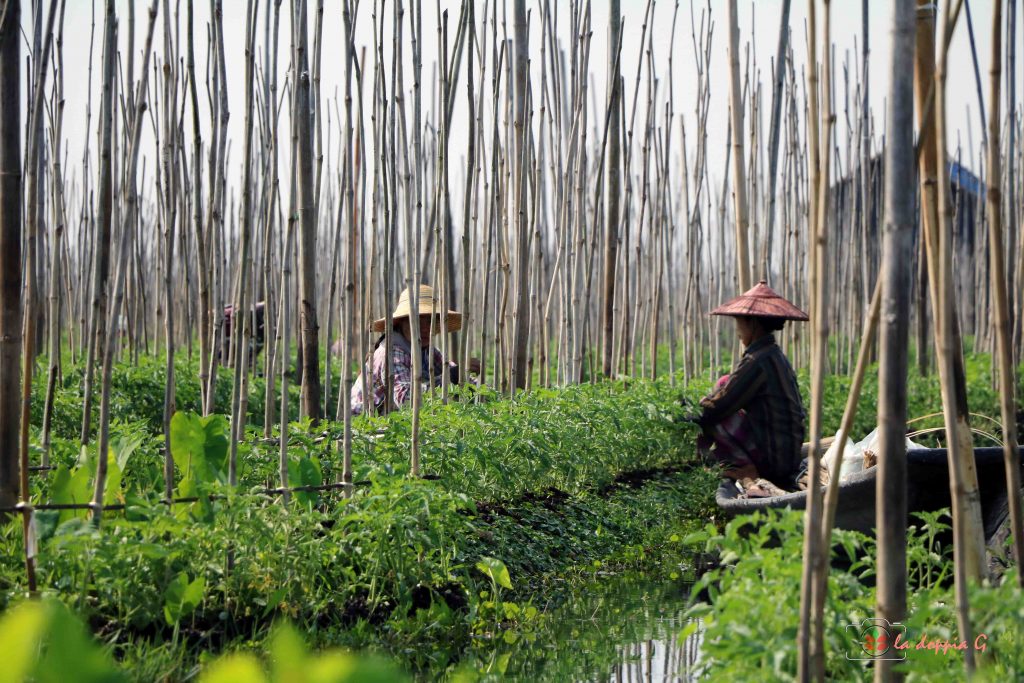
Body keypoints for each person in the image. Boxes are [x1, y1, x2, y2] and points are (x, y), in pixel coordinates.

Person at [690, 281, 808, 498]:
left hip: (775, 462)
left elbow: (718, 406)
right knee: (725, 382)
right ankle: (718, 463)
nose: (737, 332)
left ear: (752, 324)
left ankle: (740, 467)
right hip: (786, 454)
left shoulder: (759, 359)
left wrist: (685, 414)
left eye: (739, 324)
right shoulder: (772, 354)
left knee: (714, 412)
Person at [351, 285, 480, 415]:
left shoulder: (427, 351)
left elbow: (451, 370)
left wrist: (469, 377)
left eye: (430, 322)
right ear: (401, 323)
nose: (425, 329)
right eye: (417, 322)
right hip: (365, 427)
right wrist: (451, 376)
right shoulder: (391, 353)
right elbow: (406, 399)